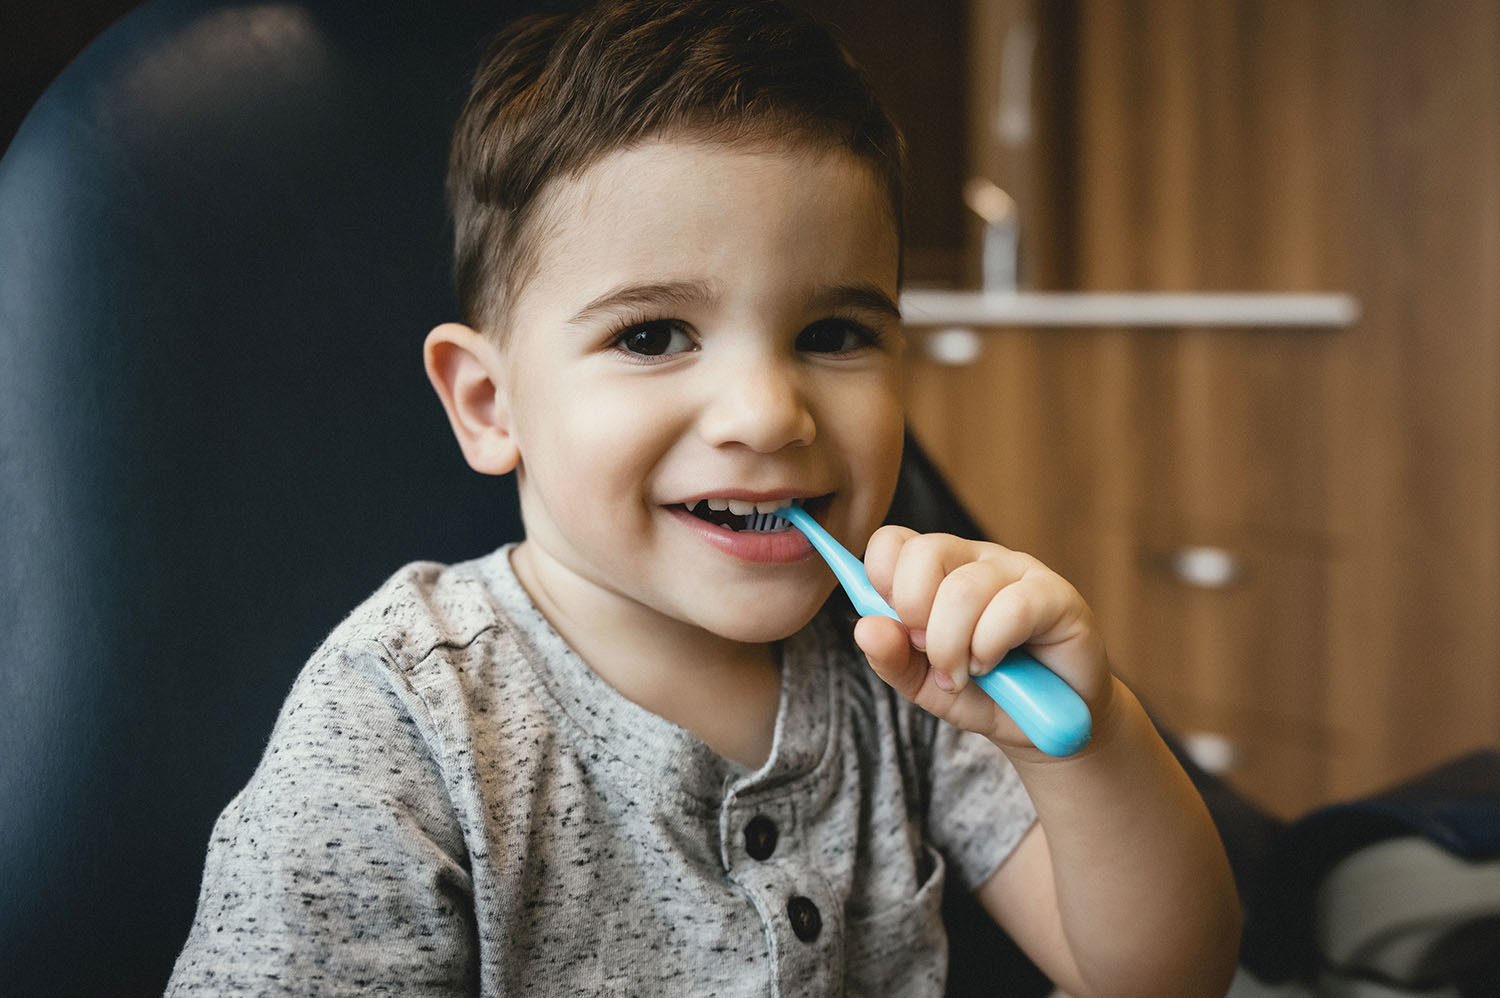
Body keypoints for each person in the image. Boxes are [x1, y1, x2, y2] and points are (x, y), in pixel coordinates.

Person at [167, 1, 1240, 994]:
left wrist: (1090, 739)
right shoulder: (402, 718)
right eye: (652, 335)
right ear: (491, 403)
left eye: (833, 333)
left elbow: (1163, 975)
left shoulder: (903, 668)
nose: (770, 412)